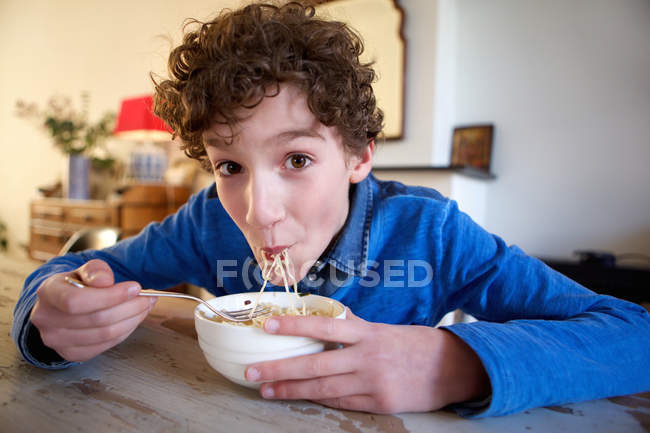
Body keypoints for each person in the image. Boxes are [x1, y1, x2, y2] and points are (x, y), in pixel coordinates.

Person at [12, 1, 650, 418]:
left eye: (296, 160)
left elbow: (634, 334)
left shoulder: (432, 235)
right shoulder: (208, 222)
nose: (260, 214)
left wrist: (458, 361)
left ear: (358, 156)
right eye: (230, 166)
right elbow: (72, 277)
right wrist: (49, 311)